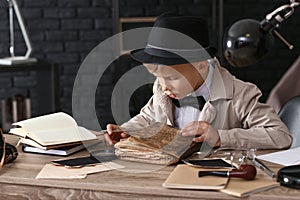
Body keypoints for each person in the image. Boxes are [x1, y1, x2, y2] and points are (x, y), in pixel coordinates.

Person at [105, 13, 292, 150]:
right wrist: (126, 130)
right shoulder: (163, 88)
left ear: (202, 66)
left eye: (172, 77)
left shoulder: (239, 94)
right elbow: (147, 117)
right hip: (166, 177)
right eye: (157, 77)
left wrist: (220, 137)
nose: (163, 85)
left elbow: (281, 136)